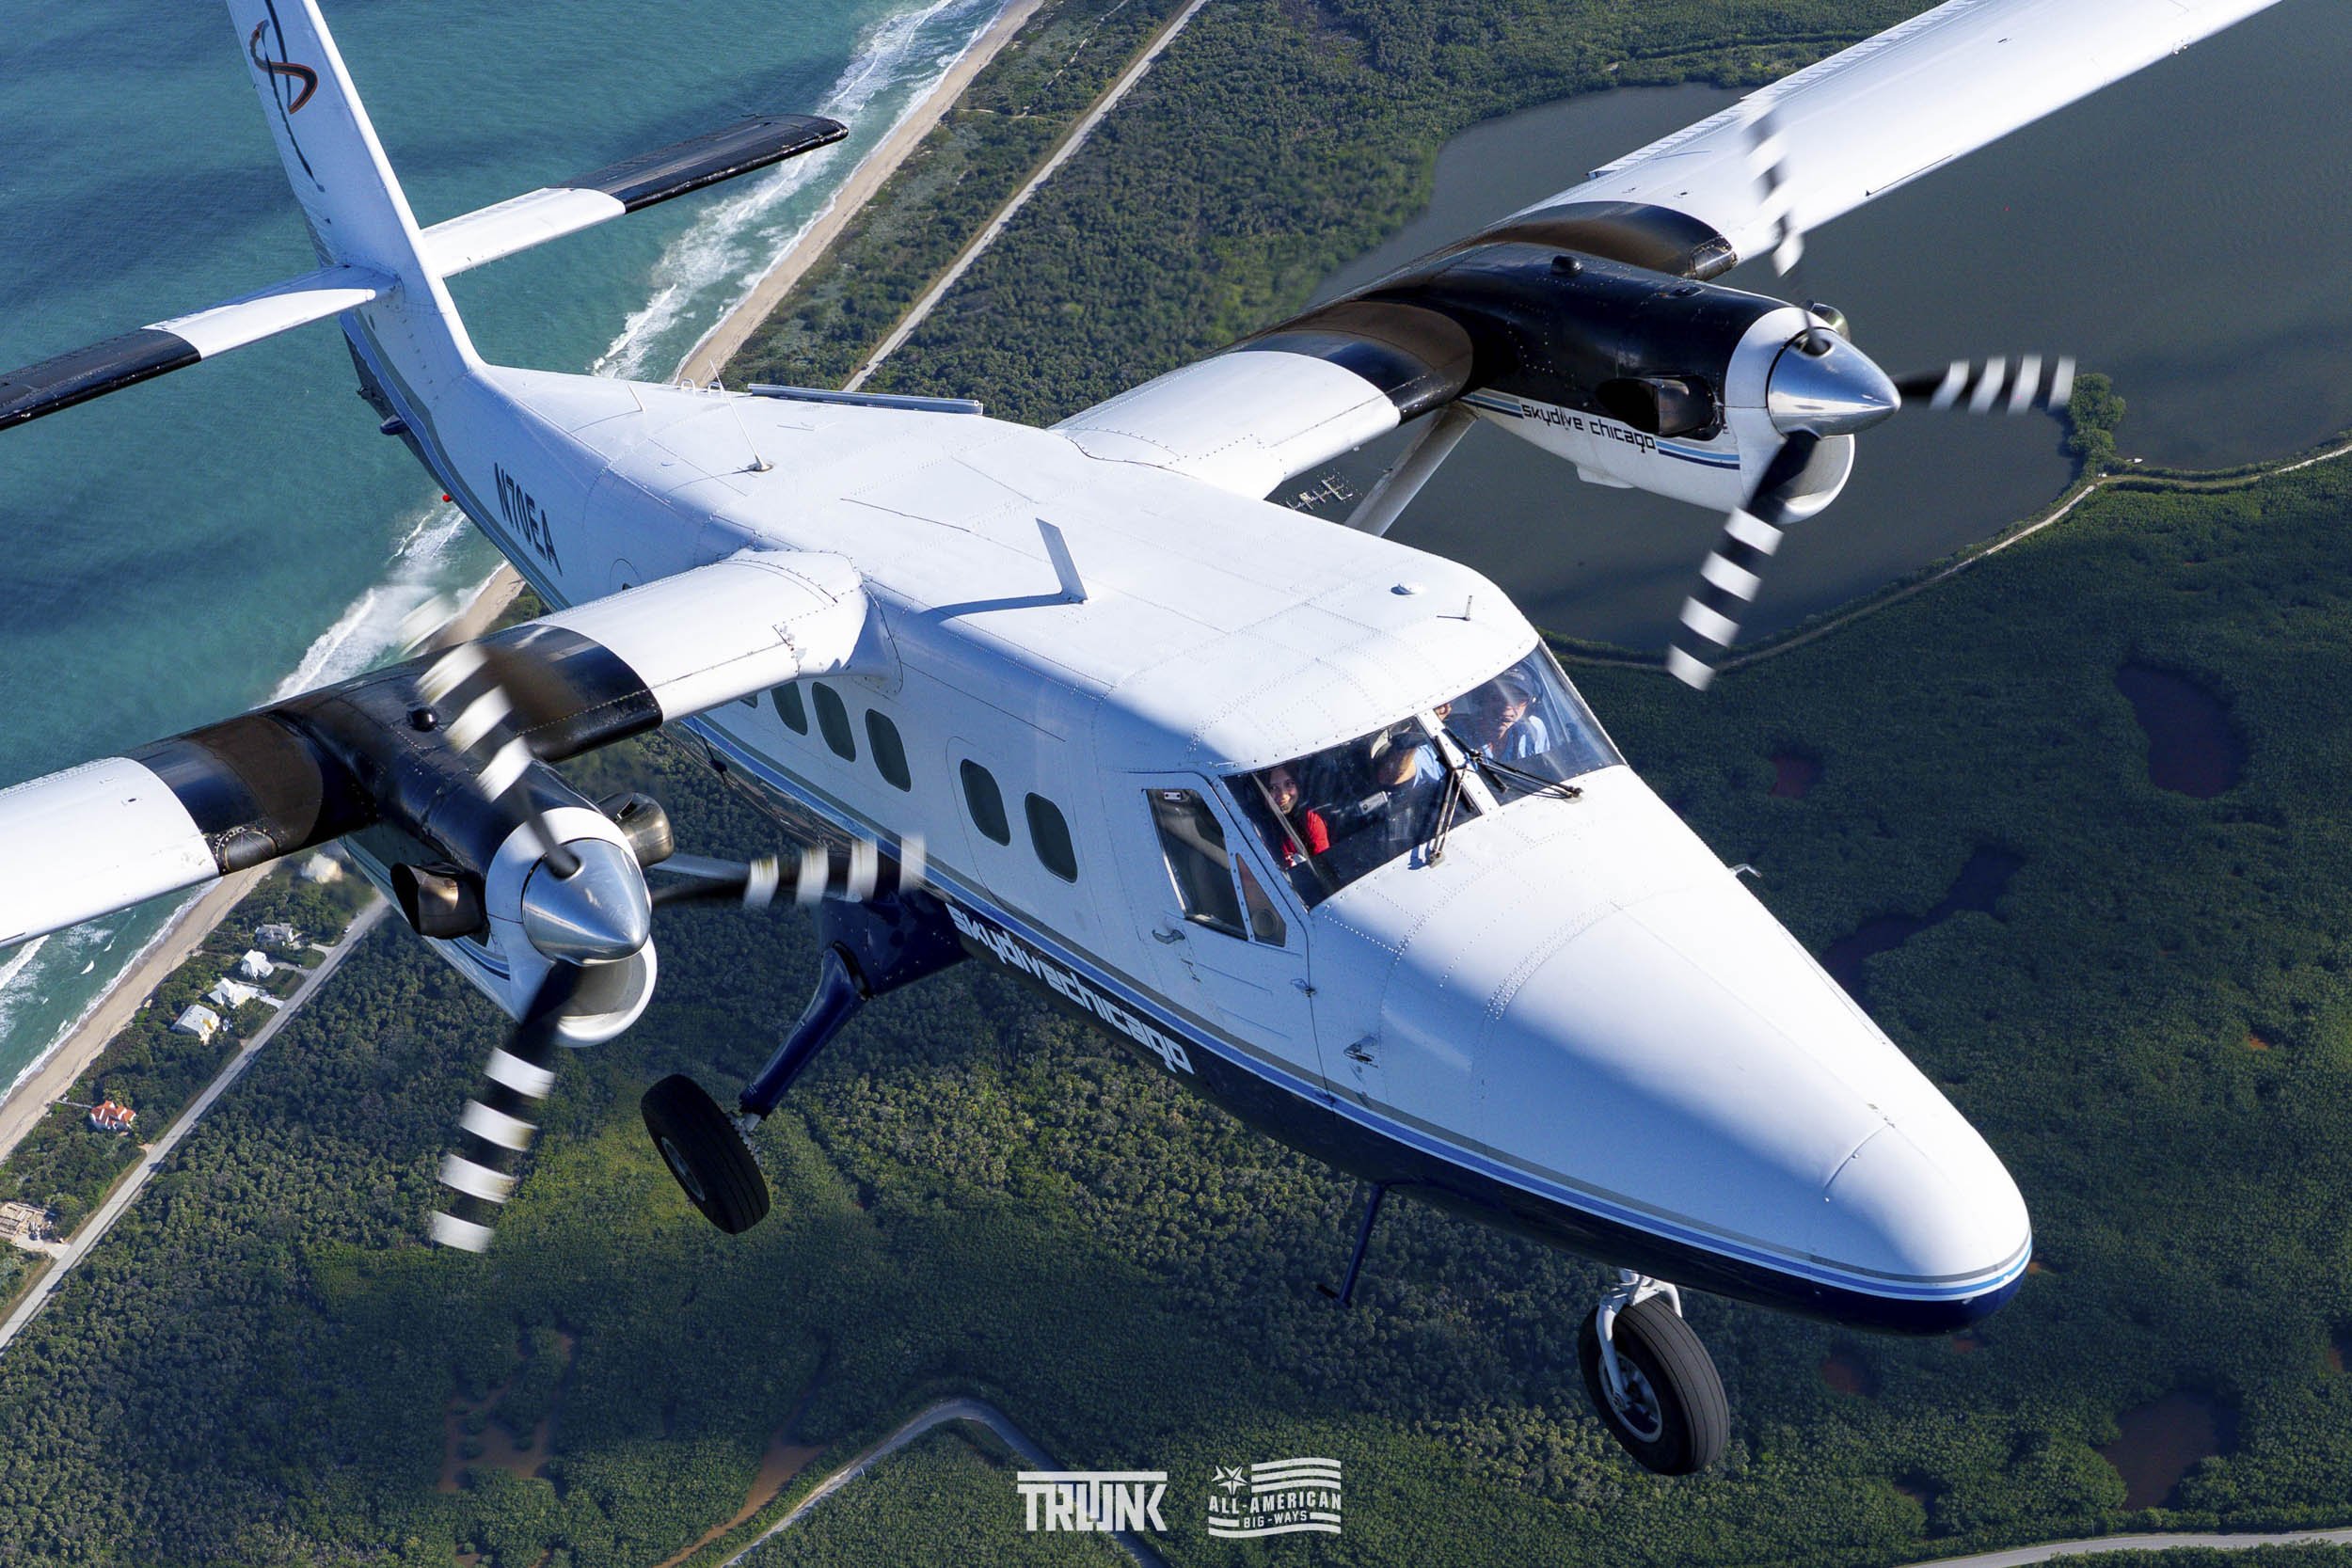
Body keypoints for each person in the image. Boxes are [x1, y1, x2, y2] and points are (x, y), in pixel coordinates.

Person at [1257, 763, 1328, 869]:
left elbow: (1324, 868)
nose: (1283, 795)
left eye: (1289, 784)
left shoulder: (1311, 821)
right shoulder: (1255, 829)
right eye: (1272, 787)